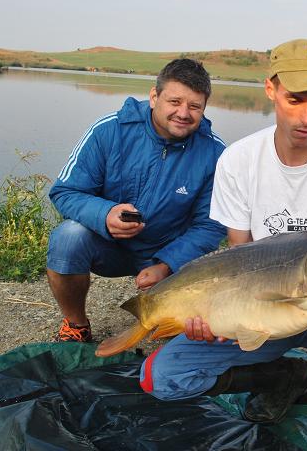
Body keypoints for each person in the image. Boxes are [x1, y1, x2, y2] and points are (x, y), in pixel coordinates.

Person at [139, 39, 307, 450]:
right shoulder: (239, 160)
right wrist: (217, 317)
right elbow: (239, 260)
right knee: (161, 378)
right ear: (271, 89)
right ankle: (284, 376)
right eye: (295, 100)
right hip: (261, 306)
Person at [46, 58, 227, 343]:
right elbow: (65, 191)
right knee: (67, 237)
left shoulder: (216, 153)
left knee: (177, 339)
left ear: (204, 108)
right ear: (154, 97)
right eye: (175, 101)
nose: (183, 113)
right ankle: (76, 324)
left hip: (169, 254)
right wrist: (105, 214)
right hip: (109, 246)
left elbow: (211, 225)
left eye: (194, 106)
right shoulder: (109, 130)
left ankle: (167, 311)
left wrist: (166, 264)